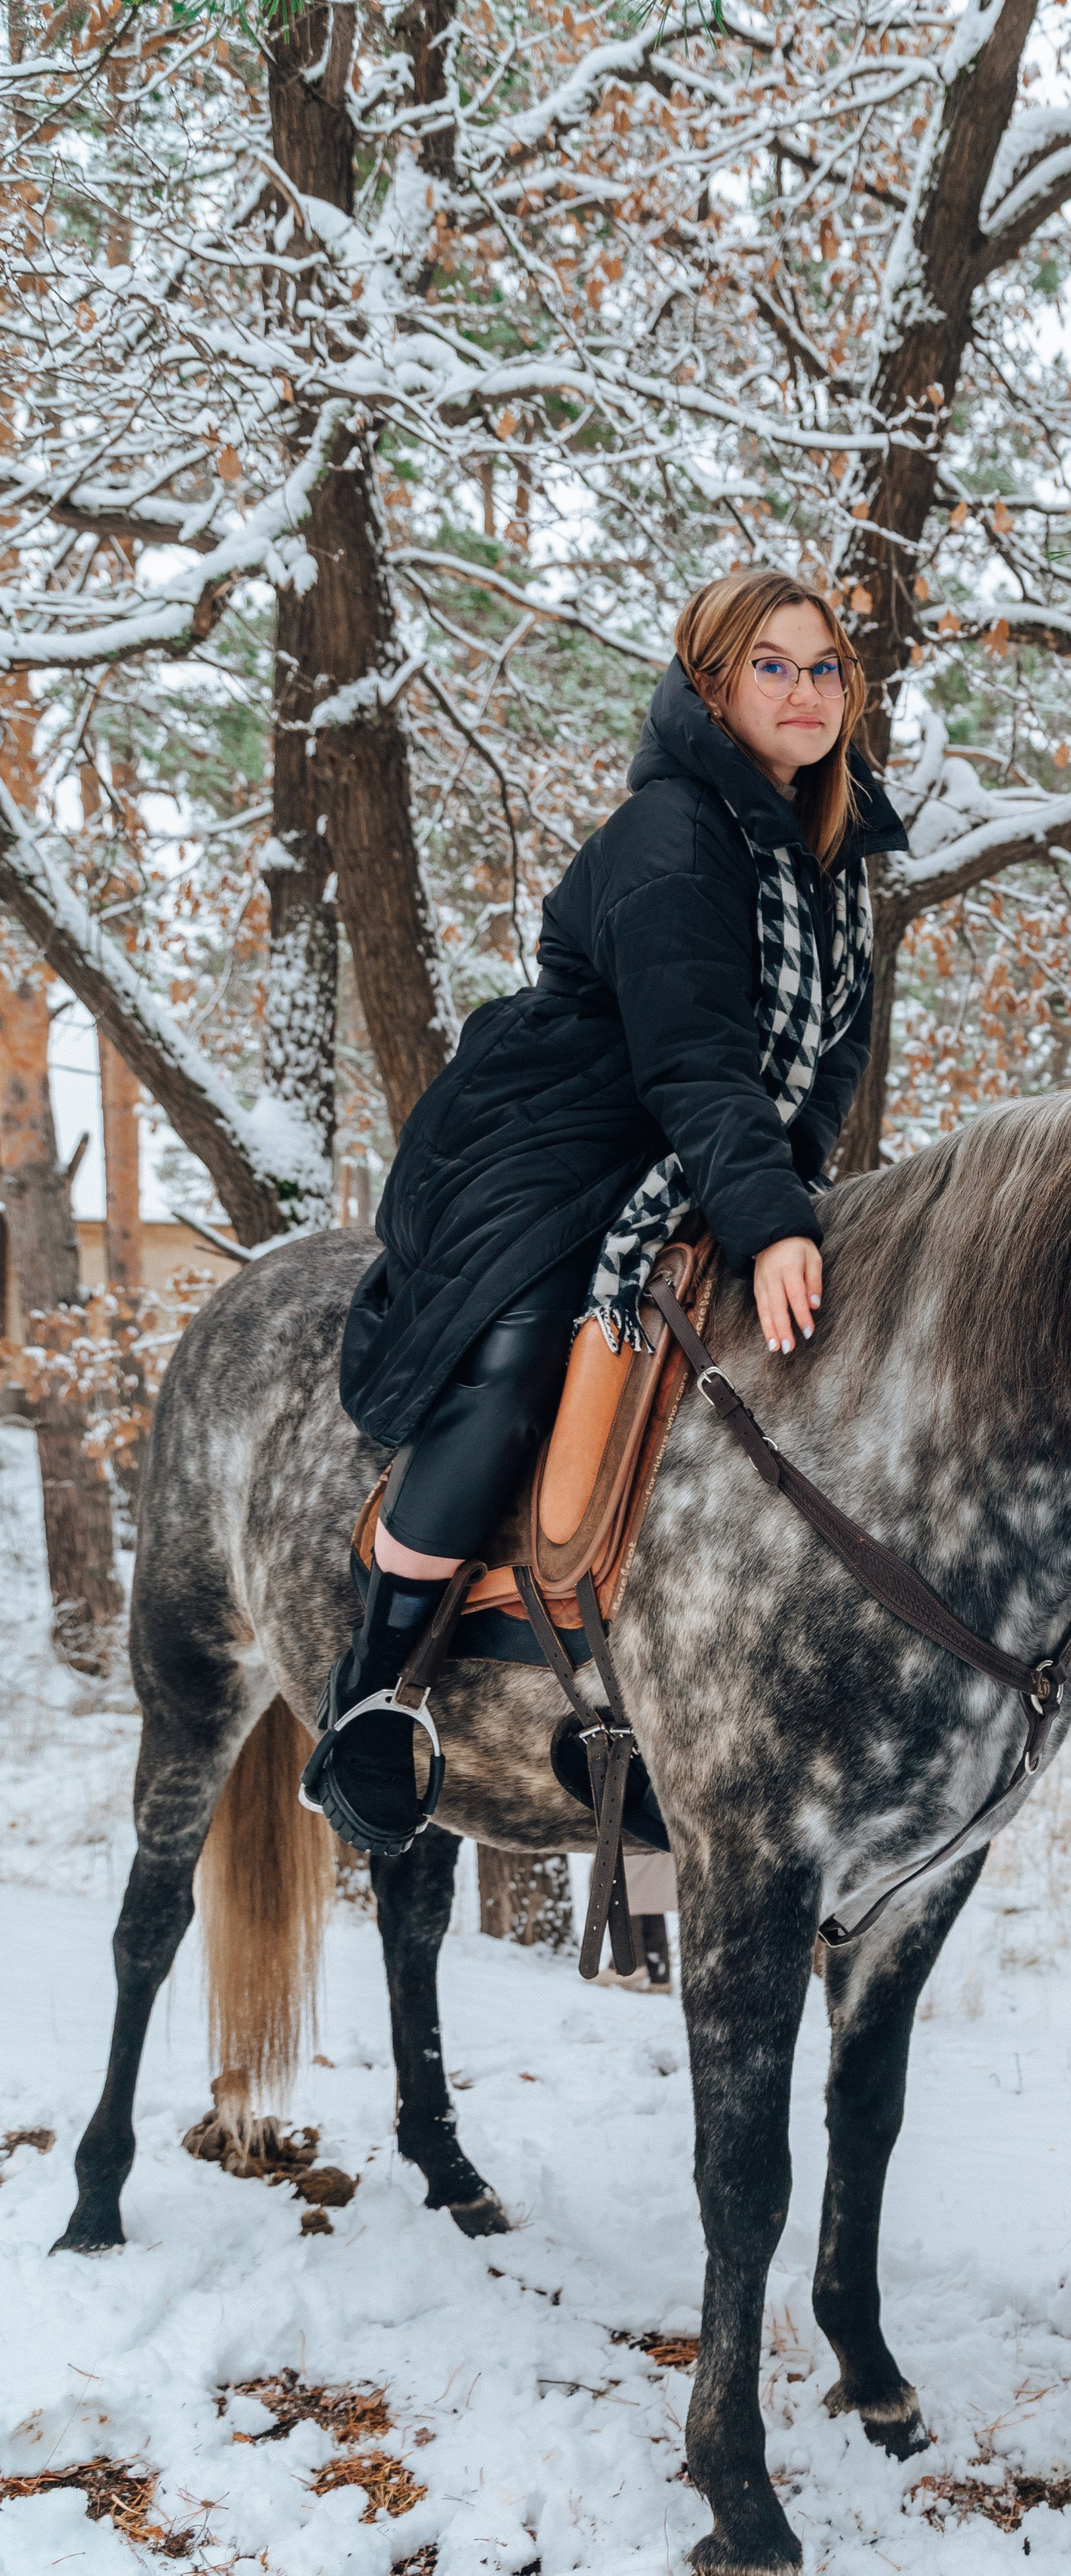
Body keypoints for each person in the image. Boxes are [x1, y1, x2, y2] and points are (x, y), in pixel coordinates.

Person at [303, 568, 903, 1856]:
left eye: (826, 668)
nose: (807, 692)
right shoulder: (673, 834)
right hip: (552, 1142)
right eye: (773, 667)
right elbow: (695, 1056)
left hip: (694, 1153)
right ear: (712, 687)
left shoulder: (834, 865)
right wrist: (766, 1212)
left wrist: (786, 1197)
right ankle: (371, 1701)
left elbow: (825, 1072)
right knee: (524, 1360)